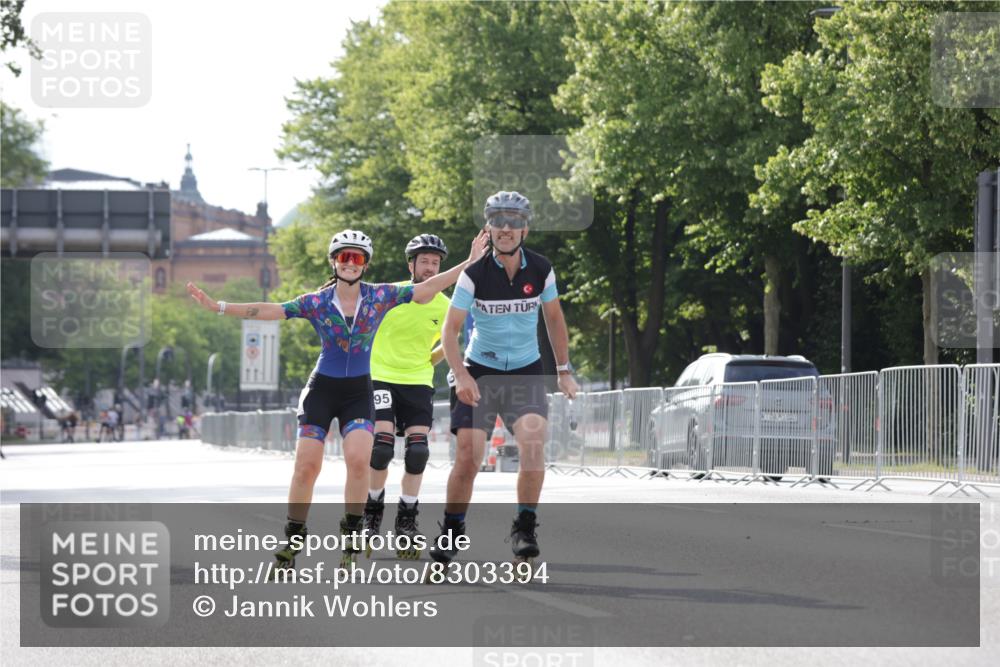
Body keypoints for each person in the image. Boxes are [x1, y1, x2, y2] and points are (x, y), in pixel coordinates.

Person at [187, 228, 487, 570]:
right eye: (344, 256)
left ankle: (352, 534)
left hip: (359, 392)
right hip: (322, 391)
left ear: (365, 265)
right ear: (334, 262)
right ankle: (293, 537)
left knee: (361, 461)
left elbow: (429, 288)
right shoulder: (317, 302)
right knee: (306, 468)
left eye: (356, 257)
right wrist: (219, 306)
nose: (350, 263)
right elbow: (269, 309)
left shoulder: (379, 297)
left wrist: (470, 262)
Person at [431, 191, 578, 567]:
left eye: (513, 221)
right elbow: (450, 332)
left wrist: (563, 370)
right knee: (469, 456)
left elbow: (555, 319)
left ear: (525, 228)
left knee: (532, 443)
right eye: (498, 221)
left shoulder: (541, 268)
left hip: (526, 371)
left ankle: (525, 528)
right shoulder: (473, 274)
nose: (506, 228)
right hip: (479, 371)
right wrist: (461, 375)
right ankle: (451, 532)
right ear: (489, 228)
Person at [363, 234, 451, 560]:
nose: (430, 268)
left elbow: (449, 341)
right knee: (382, 445)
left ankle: (406, 518)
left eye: (435, 263)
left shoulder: (445, 305)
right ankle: (372, 510)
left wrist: (431, 358)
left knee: (418, 452)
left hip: (418, 382)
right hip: (381, 378)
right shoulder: (392, 296)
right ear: (411, 264)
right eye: (424, 261)